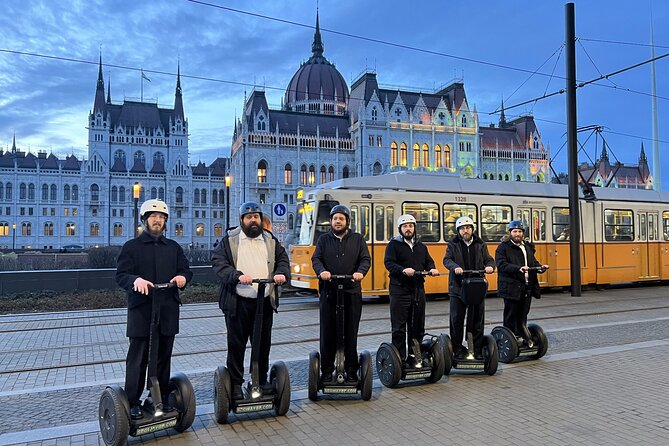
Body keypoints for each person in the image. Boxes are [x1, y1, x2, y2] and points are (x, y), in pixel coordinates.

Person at [115, 199, 192, 420]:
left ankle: (158, 396)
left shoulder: (174, 248)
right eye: (153, 217)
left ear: (165, 221)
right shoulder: (131, 247)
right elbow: (120, 275)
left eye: (161, 217)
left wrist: (182, 277)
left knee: (163, 357)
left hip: (167, 309)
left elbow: (186, 271)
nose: (157, 220)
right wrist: (135, 280)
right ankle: (132, 401)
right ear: (144, 220)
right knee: (138, 358)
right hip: (142, 310)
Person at [211, 201, 290, 399]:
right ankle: (236, 385)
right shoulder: (230, 240)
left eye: (256, 217)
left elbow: (282, 260)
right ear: (242, 220)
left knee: (262, 344)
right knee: (236, 345)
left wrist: (281, 273)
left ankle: (260, 380)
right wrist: (236, 275)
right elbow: (219, 263)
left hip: (263, 301)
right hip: (238, 302)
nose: (253, 221)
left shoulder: (270, 240)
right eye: (249, 217)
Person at [311, 204, 370, 383]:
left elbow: (365, 259)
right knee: (327, 332)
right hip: (329, 292)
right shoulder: (323, 240)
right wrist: (321, 272)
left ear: (347, 222)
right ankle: (327, 371)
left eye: (341, 219)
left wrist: (360, 272)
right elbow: (316, 259)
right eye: (335, 219)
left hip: (351, 292)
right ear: (330, 222)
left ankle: (352, 370)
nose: (338, 221)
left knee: (350, 332)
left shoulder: (358, 239)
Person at [384, 214, 439, 366]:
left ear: (415, 228)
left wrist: (432, 269)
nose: (408, 229)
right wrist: (402, 270)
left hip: (418, 289)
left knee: (417, 326)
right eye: (405, 226)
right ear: (400, 229)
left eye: (411, 226)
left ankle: (415, 357)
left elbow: (429, 261)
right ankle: (399, 360)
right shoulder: (393, 245)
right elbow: (389, 263)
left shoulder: (421, 246)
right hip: (399, 290)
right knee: (399, 327)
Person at [442, 216, 495, 360]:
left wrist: (490, 266)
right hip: (458, 287)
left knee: (477, 319)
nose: (465, 231)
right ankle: (457, 349)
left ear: (472, 229)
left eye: (468, 228)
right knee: (457, 320)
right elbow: (447, 260)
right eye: (462, 229)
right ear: (458, 231)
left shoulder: (480, 244)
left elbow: (489, 259)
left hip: (476, 287)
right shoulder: (453, 244)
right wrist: (455, 267)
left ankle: (476, 349)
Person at [495, 220, 549, 341]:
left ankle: (521, 335)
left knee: (523, 313)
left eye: (519, 231)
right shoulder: (503, 247)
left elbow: (532, 262)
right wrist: (518, 268)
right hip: (511, 287)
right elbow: (501, 264)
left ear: (523, 233)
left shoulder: (527, 247)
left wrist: (540, 268)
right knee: (511, 315)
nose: (517, 234)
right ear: (510, 233)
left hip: (526, 286)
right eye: (514, 231)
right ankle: (510, 338)